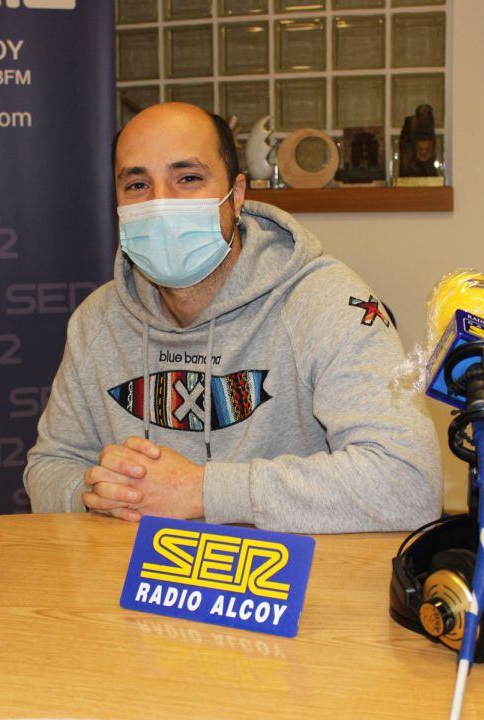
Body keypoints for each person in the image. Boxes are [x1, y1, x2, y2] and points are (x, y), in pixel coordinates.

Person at [23, 103, 441, 533]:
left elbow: (409, 482)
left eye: (188, 178)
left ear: (236, 195)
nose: (161, 204)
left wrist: (200, 492)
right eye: (137, 184)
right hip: (139, 570)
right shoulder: (98, 319)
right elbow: (49, 467)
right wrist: (99, 494)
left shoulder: (323, 302)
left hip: (291, 574)